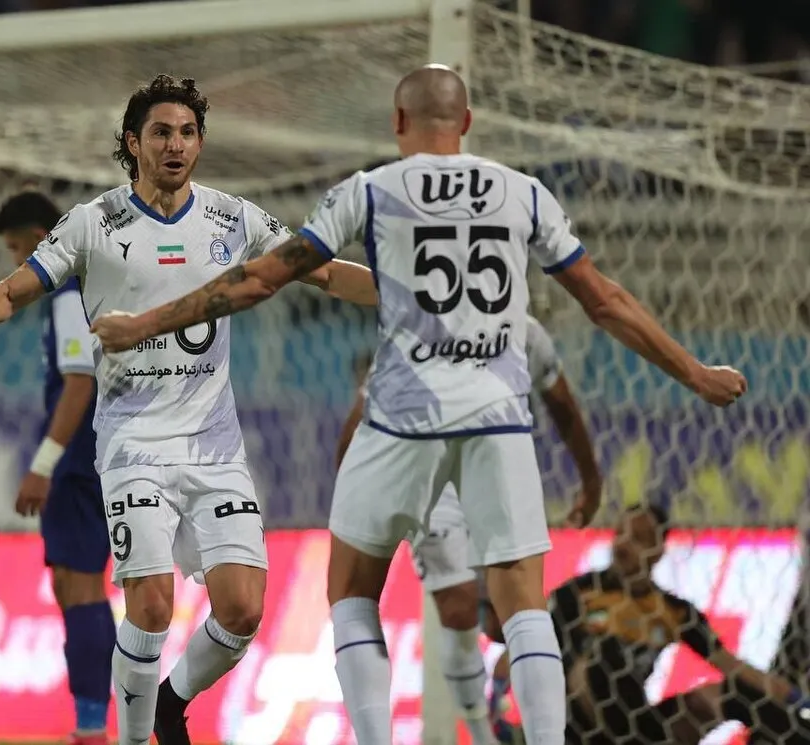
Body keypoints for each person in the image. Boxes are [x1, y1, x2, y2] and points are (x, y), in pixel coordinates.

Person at [87, 64, 747, 745]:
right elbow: (605, 300)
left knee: (352, 591)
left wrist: (145, 323)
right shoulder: (524, 192)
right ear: (467, 123)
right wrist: (695, 372)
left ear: (398, 122)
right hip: (497, 420)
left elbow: (259, 279)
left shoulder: (371, 190)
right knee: (524, 604)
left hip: (403, 418)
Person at [0, 74, 375, 745]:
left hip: (214, 444)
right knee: (149, 605)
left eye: (187, 133)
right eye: (161, 132)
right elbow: (13, 293)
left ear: (199, 142)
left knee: (243, 610)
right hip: (133, 442)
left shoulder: (233, 218)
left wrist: (405, 292)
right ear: (132, 142)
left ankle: (172, 701)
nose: (176, 145)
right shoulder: (92, 223)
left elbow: (321, 270)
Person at [335, 315, 602, 745]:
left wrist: (591, 480)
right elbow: (360, 418)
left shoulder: (524, 331)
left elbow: (564, 409)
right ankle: (481, 735)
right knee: (458, 607)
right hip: (433, 484)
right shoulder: (413, 328)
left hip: (497, 475)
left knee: (507, 620)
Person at [486, 503, 810, 744]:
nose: (624, 544)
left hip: (638, 724)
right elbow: (524, 645)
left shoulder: (672, 611)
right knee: (600, 660)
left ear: (658, 551)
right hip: (575, 729)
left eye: (638, 538)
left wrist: (796, 699)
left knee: (729, 694)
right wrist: (496, 703)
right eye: (621, 533)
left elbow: (734, 666)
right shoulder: (580, 594)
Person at [0, 190, 114, 745]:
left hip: (77, 457)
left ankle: (92, 727)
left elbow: (79, 382)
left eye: (19, 249)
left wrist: (44, 464)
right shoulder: (81, 289)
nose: (19, 263)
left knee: (81, 585)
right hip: (92, 454)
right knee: (76, 584)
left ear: (42, 241)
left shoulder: (67, 293)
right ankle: (92, 722)